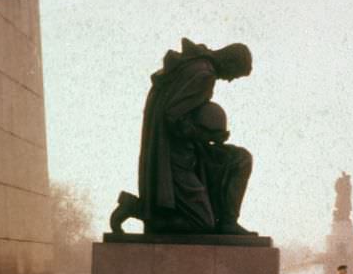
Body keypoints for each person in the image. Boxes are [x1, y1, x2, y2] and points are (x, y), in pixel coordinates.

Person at [109, 38, 255, 235]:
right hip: (175, 159)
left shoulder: (195, 65)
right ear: (230, 62)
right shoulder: (203, 74)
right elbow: (174, 117)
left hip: (182, 151)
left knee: (239, 159)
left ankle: (228, 221)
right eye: (234, 75)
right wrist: (208, 135)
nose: (229, 80)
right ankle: (138, 209)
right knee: (201, 224)